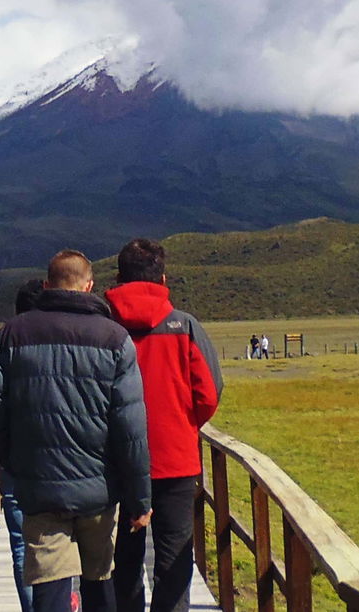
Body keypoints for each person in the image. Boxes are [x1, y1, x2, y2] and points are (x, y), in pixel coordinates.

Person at [0, 250, 152, 612]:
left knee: (49, 586)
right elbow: (131, 428)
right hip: (99, 490)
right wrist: (139, 499)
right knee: (100, 579)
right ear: (90, 286)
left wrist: (17, 463)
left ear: (46, 285)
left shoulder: (9, 336)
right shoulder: (115, 339)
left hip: (40, 488)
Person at [105, 238, 222, 612]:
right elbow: (209, 393)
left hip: (115, 460)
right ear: (163, 277)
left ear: (119, 278)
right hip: (175, 458)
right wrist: (183, 425)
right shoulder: (183, 326)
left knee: (122, 557)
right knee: (173, 560)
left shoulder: (102, 327)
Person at [0, 278, 45, 612]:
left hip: (15, 458)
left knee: (21, 544)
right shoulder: (70, 338)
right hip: (68, 460)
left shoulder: (3, 343)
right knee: (66, 541)